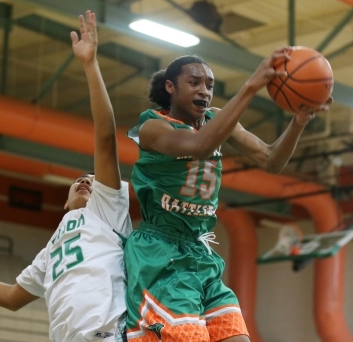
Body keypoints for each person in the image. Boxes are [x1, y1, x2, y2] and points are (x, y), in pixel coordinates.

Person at [0, 10, 132, 342]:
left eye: (93, 177)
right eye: (79, 179)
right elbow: (13, 298)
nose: (86, 179)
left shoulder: (106, 210)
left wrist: (90, 65)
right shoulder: (49, 250)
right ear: (64, 201)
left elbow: (104, 140)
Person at [125, 51, 330, 342]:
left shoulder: (216, 118)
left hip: (199, 253)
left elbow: (271, 160)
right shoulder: (153, 127)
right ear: (170, 87)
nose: (204, 90)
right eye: (194, 82)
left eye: (209, 85)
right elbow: (200, 145)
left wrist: (299, 121)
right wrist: (250, 86)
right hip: (160, 253)